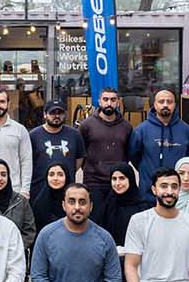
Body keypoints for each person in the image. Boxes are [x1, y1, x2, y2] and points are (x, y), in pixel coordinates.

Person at [129, 88, 189, 199]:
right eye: (161, 101)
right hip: (148, 194)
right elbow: (134, 156)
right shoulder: (141, 130)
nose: (165, 105)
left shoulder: (186, 130)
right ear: (154, 105)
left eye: (169, 102)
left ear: (175, 105)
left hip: (177, 195)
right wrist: (147, 170)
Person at [80, 88, 132, 222]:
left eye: (113, 100)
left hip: (118, 183)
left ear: (118, 102)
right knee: (95, 220)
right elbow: (81, 154)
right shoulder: (87, 125)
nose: (109, 103)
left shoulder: (126, 126)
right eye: (105, 99)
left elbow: (129, 153)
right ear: (99, 101)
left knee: (117, 221)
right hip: (94, 181)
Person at [0, 158, 37, 280]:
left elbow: (29, 231)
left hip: (15, 262)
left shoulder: (21, 201)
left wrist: (12, 248)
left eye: (3, 174)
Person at [29, 100, 84, 196]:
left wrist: (65, 172)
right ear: (45, 114)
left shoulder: (74, 134)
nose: (57, 116)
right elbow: (28, 162)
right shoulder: (33, 135)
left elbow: (79, 159)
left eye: (60, 113)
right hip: (40, 189)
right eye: (52, 113)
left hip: (67, 189)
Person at [100, 162, 150, 248]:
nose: (117, 183)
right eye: (114, 179)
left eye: (122, 178)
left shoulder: (142, 206)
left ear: (130, 179)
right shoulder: (109, 202)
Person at [30, 161, 71, 235]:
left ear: (66, 177)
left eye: (60, 175)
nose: (55, 178)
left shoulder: (73, 201)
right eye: (51, 175)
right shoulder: (39, 203)